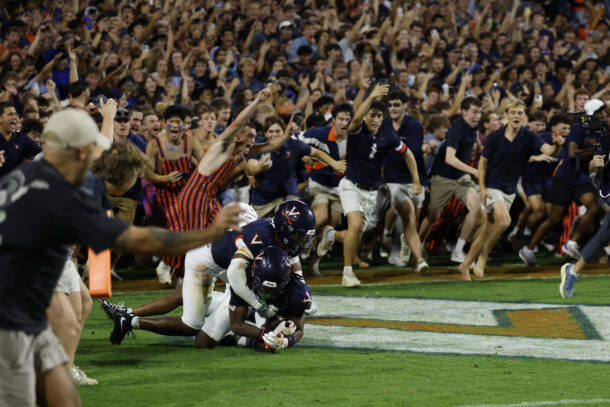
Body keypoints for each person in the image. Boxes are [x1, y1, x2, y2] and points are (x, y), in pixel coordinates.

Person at [0, 109, 241, 406]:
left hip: (25, 281)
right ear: (79, 151)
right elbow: (138, 239)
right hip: (14, 302)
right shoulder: (73, 190)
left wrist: (108, 116)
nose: (95, 153)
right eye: (90, 147)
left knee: (67, 344)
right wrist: (210, 233)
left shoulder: (30, 173)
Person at [101, 200, 315, 345]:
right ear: (285, 230)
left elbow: (293, 261)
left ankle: (128, 313)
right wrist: (259, 307)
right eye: (300, 234)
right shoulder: (260, 238)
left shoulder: (279, 236)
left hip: (227, 264)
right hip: (206, 263)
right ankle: (130, 320)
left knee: (187, 296)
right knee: (190, 324)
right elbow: (234, 275)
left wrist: (304, 291)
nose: (303, 240)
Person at [318, 84, 422, 287]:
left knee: (356, 232)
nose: (374, 119)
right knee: (355, 226)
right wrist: (372, 95)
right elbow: (355, 119)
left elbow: (408, 153)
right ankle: (347, 273)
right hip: (350, 185)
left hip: (371, 192)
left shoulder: (388, 135)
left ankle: (330, 235)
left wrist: (416, 179)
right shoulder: (357, 130)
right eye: (371, 115)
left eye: (378, 116)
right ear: (366, 115)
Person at [457, 99, 561, 280]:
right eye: (513, 112)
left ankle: (465, 265)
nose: (516, 116)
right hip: (491, 186)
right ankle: (482, 260)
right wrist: (482, 189)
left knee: (487, 230)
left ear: (524, 116)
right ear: (507, 114)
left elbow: (550, 151)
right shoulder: (495, 137)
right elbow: (482, 163)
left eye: (520, 113)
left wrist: (557, 144)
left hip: (509, 190)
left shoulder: (528, 136)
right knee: (504, 222)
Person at [520, 99, 606, 265]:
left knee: (594, 208)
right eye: (600, 113)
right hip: (565, 178)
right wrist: (593, 151)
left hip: (581, 178)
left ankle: (571, 243)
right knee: (554, 219)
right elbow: (573, 153)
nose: (602, 116)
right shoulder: (577, 128)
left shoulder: (600, 131)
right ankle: (528, 249)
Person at [424, 97, 483, 264]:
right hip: (443, 176)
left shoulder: (473, 126)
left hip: (460, 177)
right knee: (433, 216)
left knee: (476, 207)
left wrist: (478, 144)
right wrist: (473, 170)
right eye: (474, 112)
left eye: (479, 112)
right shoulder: (457, 128)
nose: (478, 115)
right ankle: (418, 247)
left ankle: (458, 251)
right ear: (464, 112)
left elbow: (474, 135)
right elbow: (449, 158)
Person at [295, 103, 352, 275]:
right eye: (341, 119)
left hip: (341, 188)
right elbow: (294, 139)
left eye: (348, 120)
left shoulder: (355, 138)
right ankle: (304, 246)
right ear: (333, 120)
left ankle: (314, 262)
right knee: (319, 218)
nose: (344, 123)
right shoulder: (320, 134)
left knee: (330, 229)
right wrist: (304, 155)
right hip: (319, 184)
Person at [380, 89, 430, 274]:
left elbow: (414, 152)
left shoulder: (415, 125)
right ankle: (415, 257)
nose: (392, 108)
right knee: (407, 216)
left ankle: (403, 246)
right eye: (390, 105)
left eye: (396, 105)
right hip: (392, 180)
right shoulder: (384, 123)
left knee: (413, 220)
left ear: (405, 105)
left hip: (414, 178)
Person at [0, 102, 42, 177]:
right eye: (10, 114)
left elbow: (41, 154)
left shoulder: (21, 138)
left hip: (13, 185)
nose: (15, 117)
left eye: (15, 114)